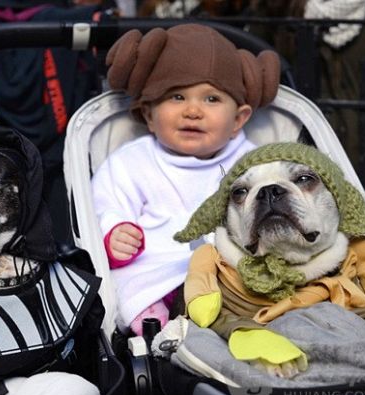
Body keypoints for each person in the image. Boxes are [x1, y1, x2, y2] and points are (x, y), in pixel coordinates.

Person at [91, 24, 281, 335]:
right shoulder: (130, 161)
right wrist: (114, 232)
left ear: (238, 120)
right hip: (157, 269)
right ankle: (159, 331)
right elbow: (106, 204)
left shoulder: (254, 161)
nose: (193, 111)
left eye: (211, 99)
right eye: (177, 97)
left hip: (230, 269)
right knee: (126, 289)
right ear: (149, 115)